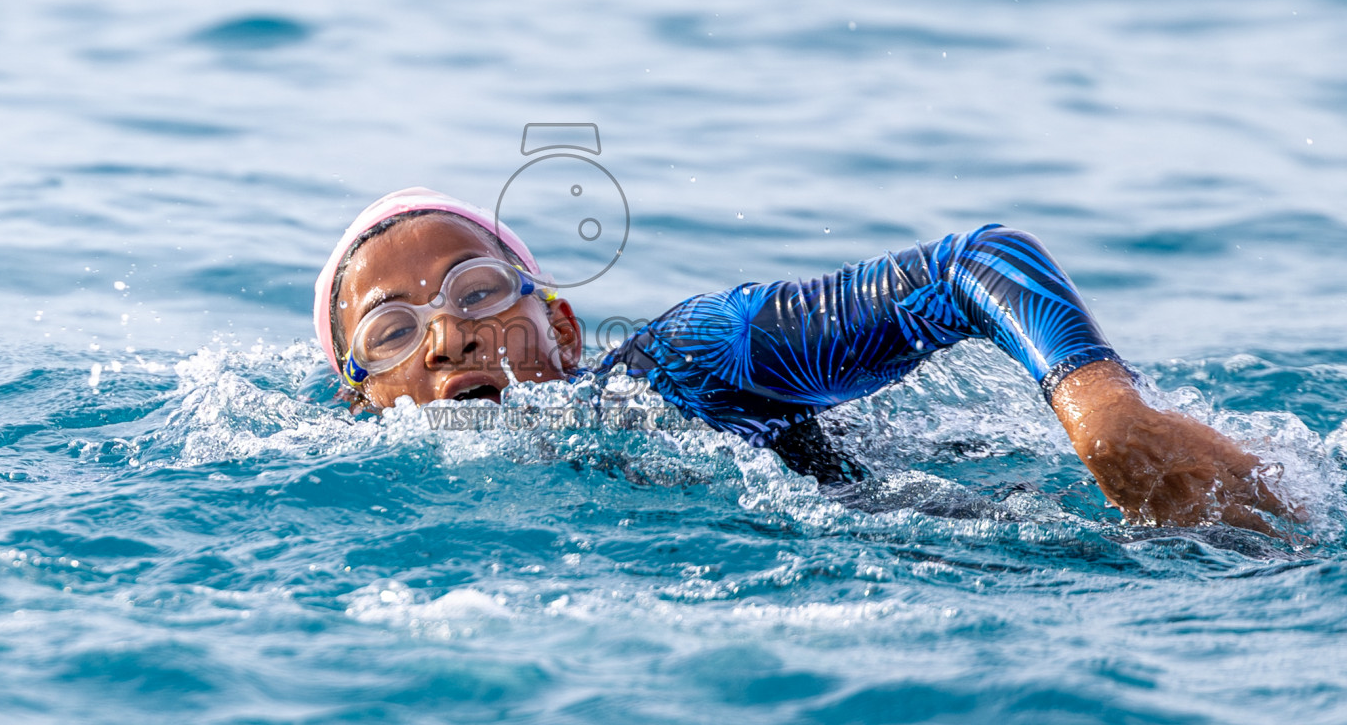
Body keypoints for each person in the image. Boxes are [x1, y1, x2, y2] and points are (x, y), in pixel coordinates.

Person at [313, 187, 1294, 533]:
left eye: (479, 289)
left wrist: (1113, 423)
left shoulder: (678, 371)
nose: (447, 335)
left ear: (563, 331)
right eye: (392, 331)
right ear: (361, 404)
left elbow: (977, 263)